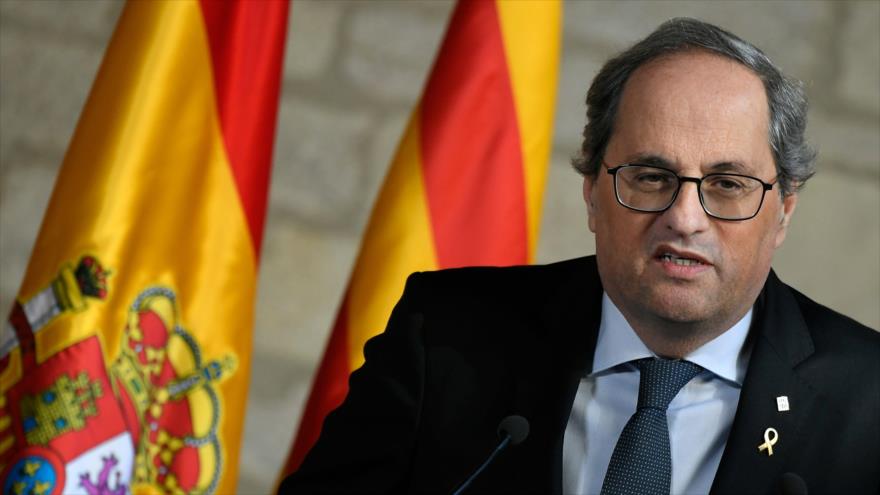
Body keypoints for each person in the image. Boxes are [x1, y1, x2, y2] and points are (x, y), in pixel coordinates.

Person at [280, 18, 879, 494]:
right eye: (650, 176)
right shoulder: (445, 337)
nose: (685, 218)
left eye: (727, 184)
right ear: (592, 191)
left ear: (783, 213)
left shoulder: (868, 404)